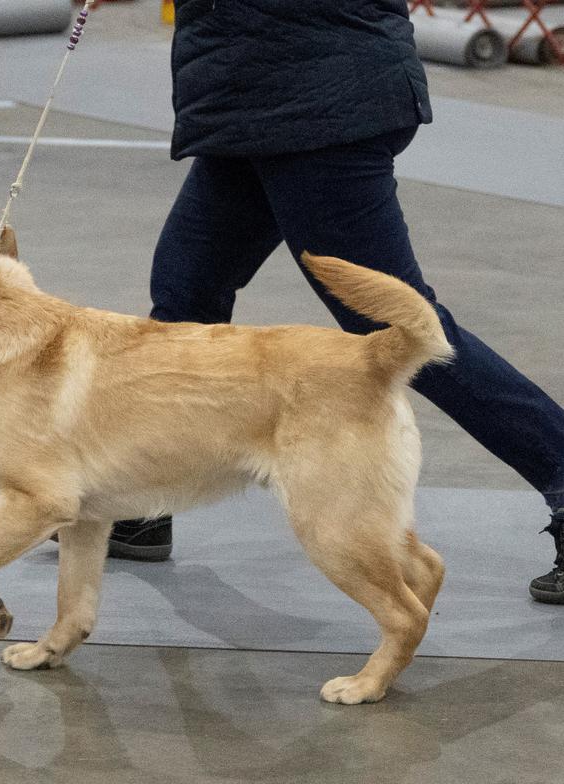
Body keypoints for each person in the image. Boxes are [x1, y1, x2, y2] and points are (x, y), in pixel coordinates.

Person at [87, 0, 564, 602]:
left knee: (404, 329)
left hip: (319, 103)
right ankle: (148, 499)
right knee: (185, 296)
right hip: (257, 98)